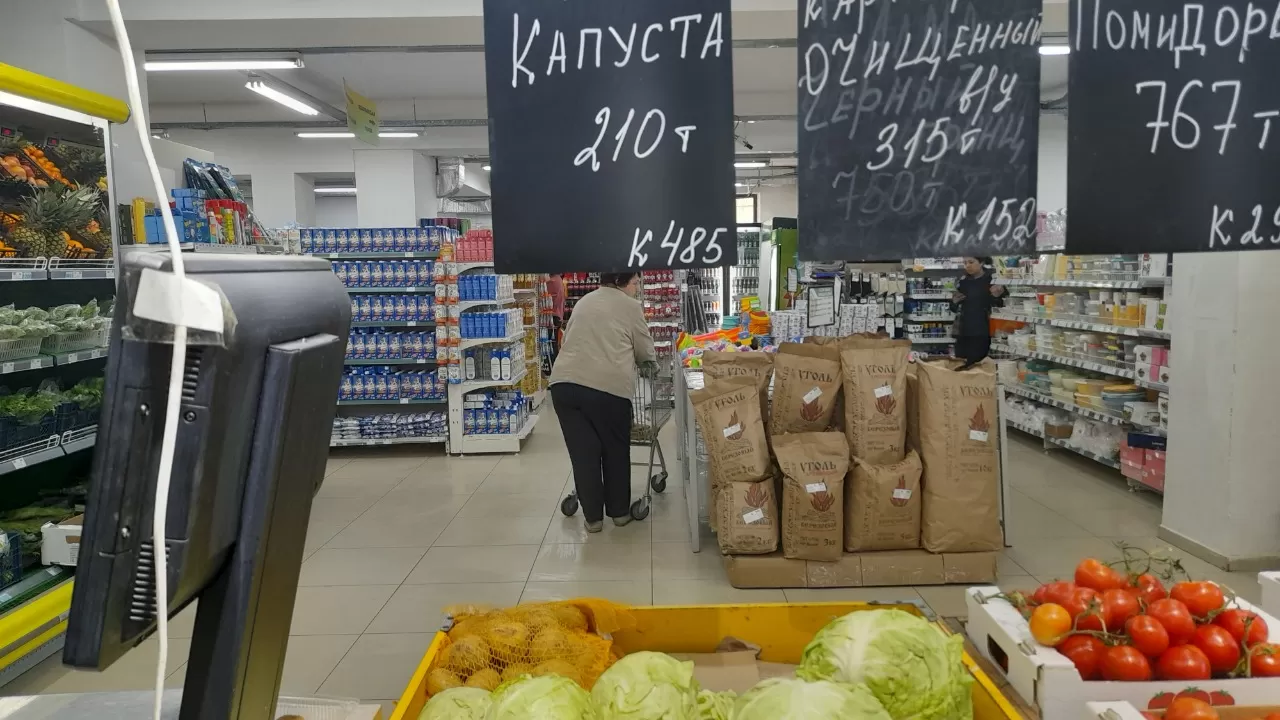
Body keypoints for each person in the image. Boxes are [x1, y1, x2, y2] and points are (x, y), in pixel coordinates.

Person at [549, 272, 656, 532]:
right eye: (635, 283)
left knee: (583, 454)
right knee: (615, 450)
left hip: (564, 386)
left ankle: (593, 519)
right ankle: (619, 513)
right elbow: (644, 349)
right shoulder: (630, 306)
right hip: (607, 389)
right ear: (622, 282)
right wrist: (649, 364)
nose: (636, 288)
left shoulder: (585, 300)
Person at [951, 256, 1005, 368]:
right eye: (965, 263)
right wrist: (954, 302)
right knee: (959, 364)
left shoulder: (993, 280)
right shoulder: (962, 281)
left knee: (977, 366)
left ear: (981, 263)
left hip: (983, 331)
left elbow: (1002, 306)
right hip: (963, 331)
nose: (967, 266)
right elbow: (953, 308)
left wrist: (996, 297)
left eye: (971, 262)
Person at [546, 272, 566, 362]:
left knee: (551, 345)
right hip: (557, 316)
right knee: (554, 344)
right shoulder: (558, 280)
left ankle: (551, 367)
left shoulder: (553, 281)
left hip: (552, 317)